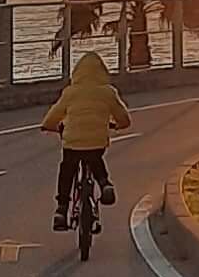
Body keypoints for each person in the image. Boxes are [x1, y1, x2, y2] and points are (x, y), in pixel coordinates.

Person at [40, 47, 131, 230]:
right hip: (97, 140)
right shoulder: (108, 92)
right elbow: (124, 119)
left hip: (72, 141)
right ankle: (105, 184)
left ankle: (61, 209)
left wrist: (51, 127)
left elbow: (51, 119)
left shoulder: (70, 92)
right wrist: (116, 126)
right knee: (95, 158)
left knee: (67, 169)